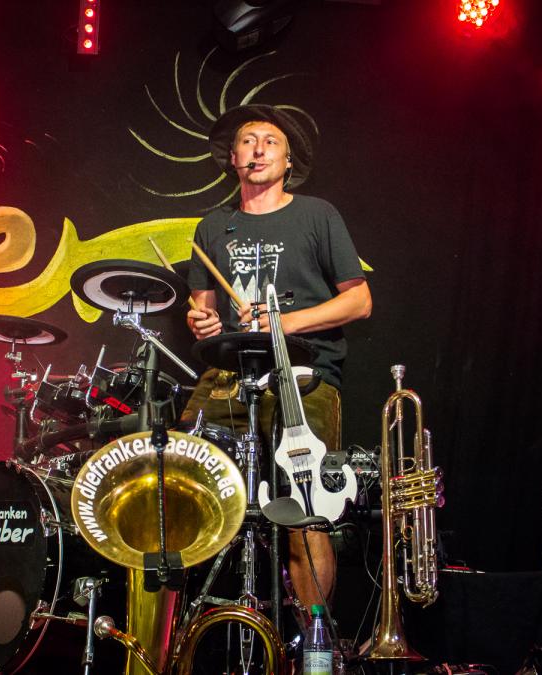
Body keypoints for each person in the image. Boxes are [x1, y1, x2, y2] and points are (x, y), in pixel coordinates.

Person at [183, 104, 372, 613]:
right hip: (233, 372)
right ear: (233, 159)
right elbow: (202, 309)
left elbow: (359, 301)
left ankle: (315, 641)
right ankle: (185, 630)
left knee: (305, 507)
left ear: (289, 161)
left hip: (303, 372)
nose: (259, 148)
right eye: (248, 140)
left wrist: (284, 322)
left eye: (271, 141)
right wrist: (203, 322)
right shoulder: (213, 226)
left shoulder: (317, 214)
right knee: (180, 472)